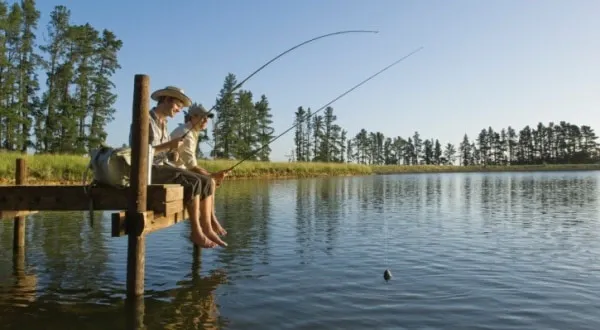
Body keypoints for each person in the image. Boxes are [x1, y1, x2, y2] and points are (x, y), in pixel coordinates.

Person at [130, 85, 227, 248]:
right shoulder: (145, 120)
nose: (178, 110)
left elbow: (164, 153)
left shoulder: (163, 123)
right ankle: (196, 231)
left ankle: (207, 228)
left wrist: (172, 152)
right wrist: (169, 145)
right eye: (177, 106)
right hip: (147, 171)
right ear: (167, 100)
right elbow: (141, 152)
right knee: (196, 181)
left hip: (161, 166)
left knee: (202, 181)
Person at [169, 104, 230, 237]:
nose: (205, 121)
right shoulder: (186, 133)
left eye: (207, 118)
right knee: (209, 181)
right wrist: (213, 175)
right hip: (171, 173)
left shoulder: (191, 132)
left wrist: (213, 176)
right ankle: (208, 223)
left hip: (180, 171)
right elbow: (192, 167)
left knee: (210, 181)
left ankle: (211, 219)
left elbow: (191, 165)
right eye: (202, 118)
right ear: (192, 117)